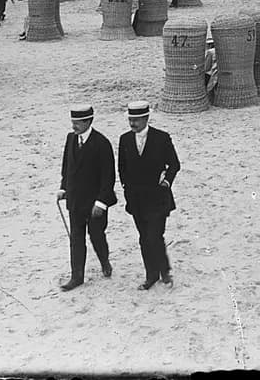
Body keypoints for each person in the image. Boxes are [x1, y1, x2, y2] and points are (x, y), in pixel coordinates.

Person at [118, 101, 181, 290]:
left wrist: (166, 182)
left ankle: (164, 271)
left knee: (155, 235)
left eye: (136, 119)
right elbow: (122, 168)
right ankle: (151, 275)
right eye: (130, 119)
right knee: (144, 237)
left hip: (157, 197)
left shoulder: (161, 138)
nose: (132, 123)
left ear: (146, 118)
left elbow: (174, 164)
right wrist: (127, 189)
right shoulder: (125, 140)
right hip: (136, 199)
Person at [57, 104, 118, 292]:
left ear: (88, 121)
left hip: (95, 204)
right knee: (76, 238)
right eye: (72, 122)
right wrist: (63, 187)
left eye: (78, 123)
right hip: (75, 200)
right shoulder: (71, 138)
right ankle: (77, 276)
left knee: (96, 236)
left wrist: (101, 202)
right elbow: (67, 166)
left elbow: (108, 177)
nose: (74, 126)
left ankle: (104, 262)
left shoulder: (102, 143)